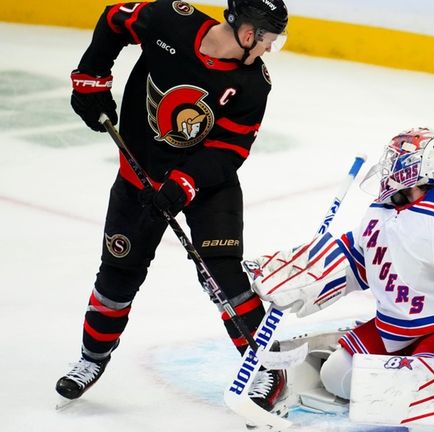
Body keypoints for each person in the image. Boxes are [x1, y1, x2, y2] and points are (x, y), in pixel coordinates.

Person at [56, 0, 289, 415]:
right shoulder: (170, 20)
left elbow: (230, 148)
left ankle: (266, 367)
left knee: (221, 271)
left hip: (207, 185)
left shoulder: (253, 84)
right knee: (117, 275)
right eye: (269, 39)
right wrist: (90, 78)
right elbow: (114, 18)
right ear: (248, 33)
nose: (270, 49)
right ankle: (91, 359)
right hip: (138, 177)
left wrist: (185, 183)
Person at [248, 127, 434, 409]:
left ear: (414, 168)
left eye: (396, 158)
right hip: (396, 331)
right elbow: (356, 261)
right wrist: (304, 272)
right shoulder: (380, 211)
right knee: (335, 376)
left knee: (416, 391)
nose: (388, 165)